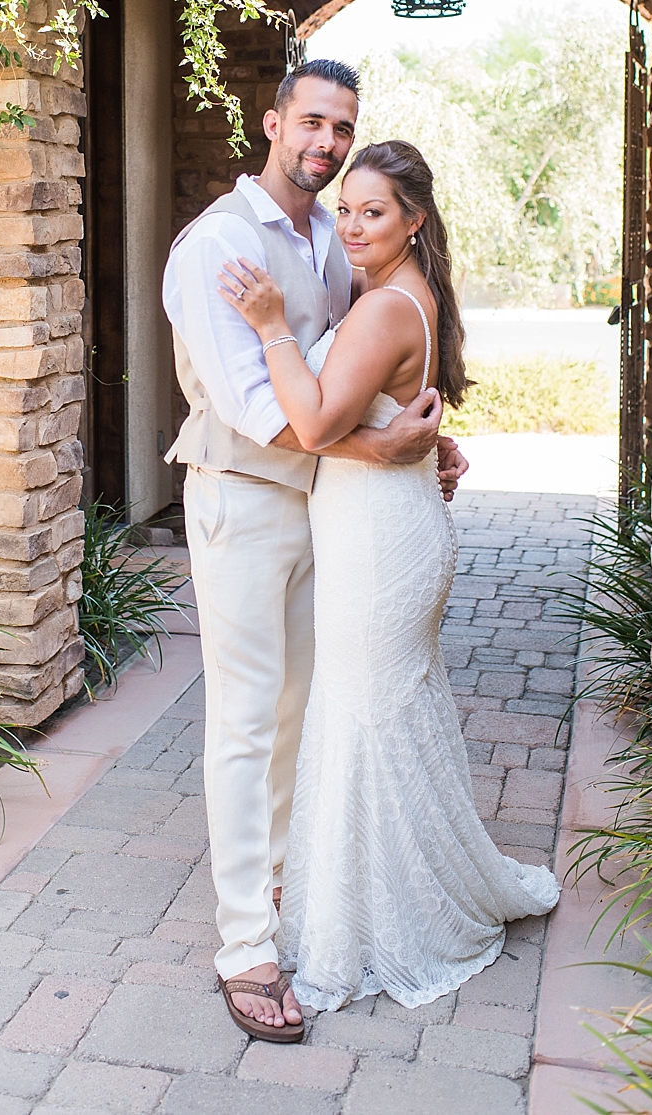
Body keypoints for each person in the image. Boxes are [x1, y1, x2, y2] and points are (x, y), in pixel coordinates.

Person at [162, 65, 468, 1044]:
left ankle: (291, 889)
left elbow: (347, 364)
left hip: (329, 513)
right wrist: (380, 443)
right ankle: (246, 942)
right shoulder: (214, 245)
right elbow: (261, 409)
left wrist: (410, 433)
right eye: (313, 121)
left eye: (343, 126)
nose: (328, 141)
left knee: (306, 706)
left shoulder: (332, 240)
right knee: (249, 718)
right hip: (245, 504)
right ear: (272, 123)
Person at [219, 138, 559, 1014]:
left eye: (375, 211)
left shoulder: (380, 310)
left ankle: (394, 915)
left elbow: (319, 417)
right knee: (373, 716)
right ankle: (370, 889)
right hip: (392, 524)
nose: (355, 224)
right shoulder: (410, 294)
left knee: (363, 721)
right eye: (348, 208)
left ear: (413, 220)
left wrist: (269, 327)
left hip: (378, 540)